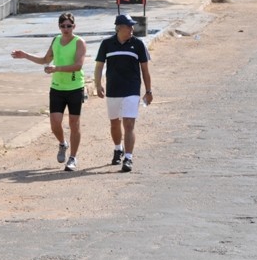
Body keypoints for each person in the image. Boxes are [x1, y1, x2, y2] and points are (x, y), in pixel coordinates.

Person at [11, 12, 87, 171]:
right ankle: (63, 143)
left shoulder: (79, 42)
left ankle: (73, 158)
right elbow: (45, 60)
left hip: (75, 87)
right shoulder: (56, 40)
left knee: (74, 123)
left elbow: (78, 65)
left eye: (69, 26)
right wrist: (25, 55)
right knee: (55, 123)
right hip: (57, 87)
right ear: (59, 27)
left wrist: (56, 68)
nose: (66, 29)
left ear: (74, 26)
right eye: (63, 26)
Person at [94, 14, 153, 172]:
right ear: (119, 28)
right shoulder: (107, 44)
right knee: (114, 123)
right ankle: (117, 148)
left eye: (132, 26)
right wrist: (98, 84)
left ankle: (128, 158)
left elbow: (145, 70)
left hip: (132, 89)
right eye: (129, 26)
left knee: (129, 123)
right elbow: (99, 66)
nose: (132, 29)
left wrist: (148, 90)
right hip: (113, 89)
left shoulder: (138, 44)